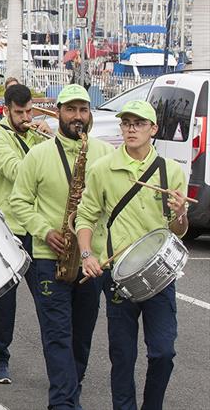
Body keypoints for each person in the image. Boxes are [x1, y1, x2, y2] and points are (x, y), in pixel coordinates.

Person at [76, 100, 188, 410]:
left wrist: (180, 214)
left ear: (153, 129)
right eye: (126, 123)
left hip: (159, 276)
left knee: (163, 353)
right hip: (118, 277)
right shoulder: (103, 169)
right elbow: (85, 217)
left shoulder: (171, 172)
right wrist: (87, 254)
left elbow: (177, 230)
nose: (131, 128)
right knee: (122, 357)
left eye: (139, 123)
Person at [10, 84, 114, 410]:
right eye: (71, 110)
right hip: (48, 256)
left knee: (81, 338)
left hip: (89, 259)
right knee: (57, 336)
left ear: (90, 114)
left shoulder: (106, 155)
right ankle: (64, 404)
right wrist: (44, 230)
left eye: (83, 110)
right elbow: (19, 202)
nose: (77, 116)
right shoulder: (39, 154)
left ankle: (71, 389)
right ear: (59, 113)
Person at [0, 83, 51, 384]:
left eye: (29, 111)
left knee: (48, 300)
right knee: (4, 301)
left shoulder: (38, 135)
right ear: (7, 109)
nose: (25, 117)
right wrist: (47, 150)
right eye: (19, 112)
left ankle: (58, 362)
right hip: (7, 227)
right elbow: (19, 172)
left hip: (37, 228)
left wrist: (54, 138)